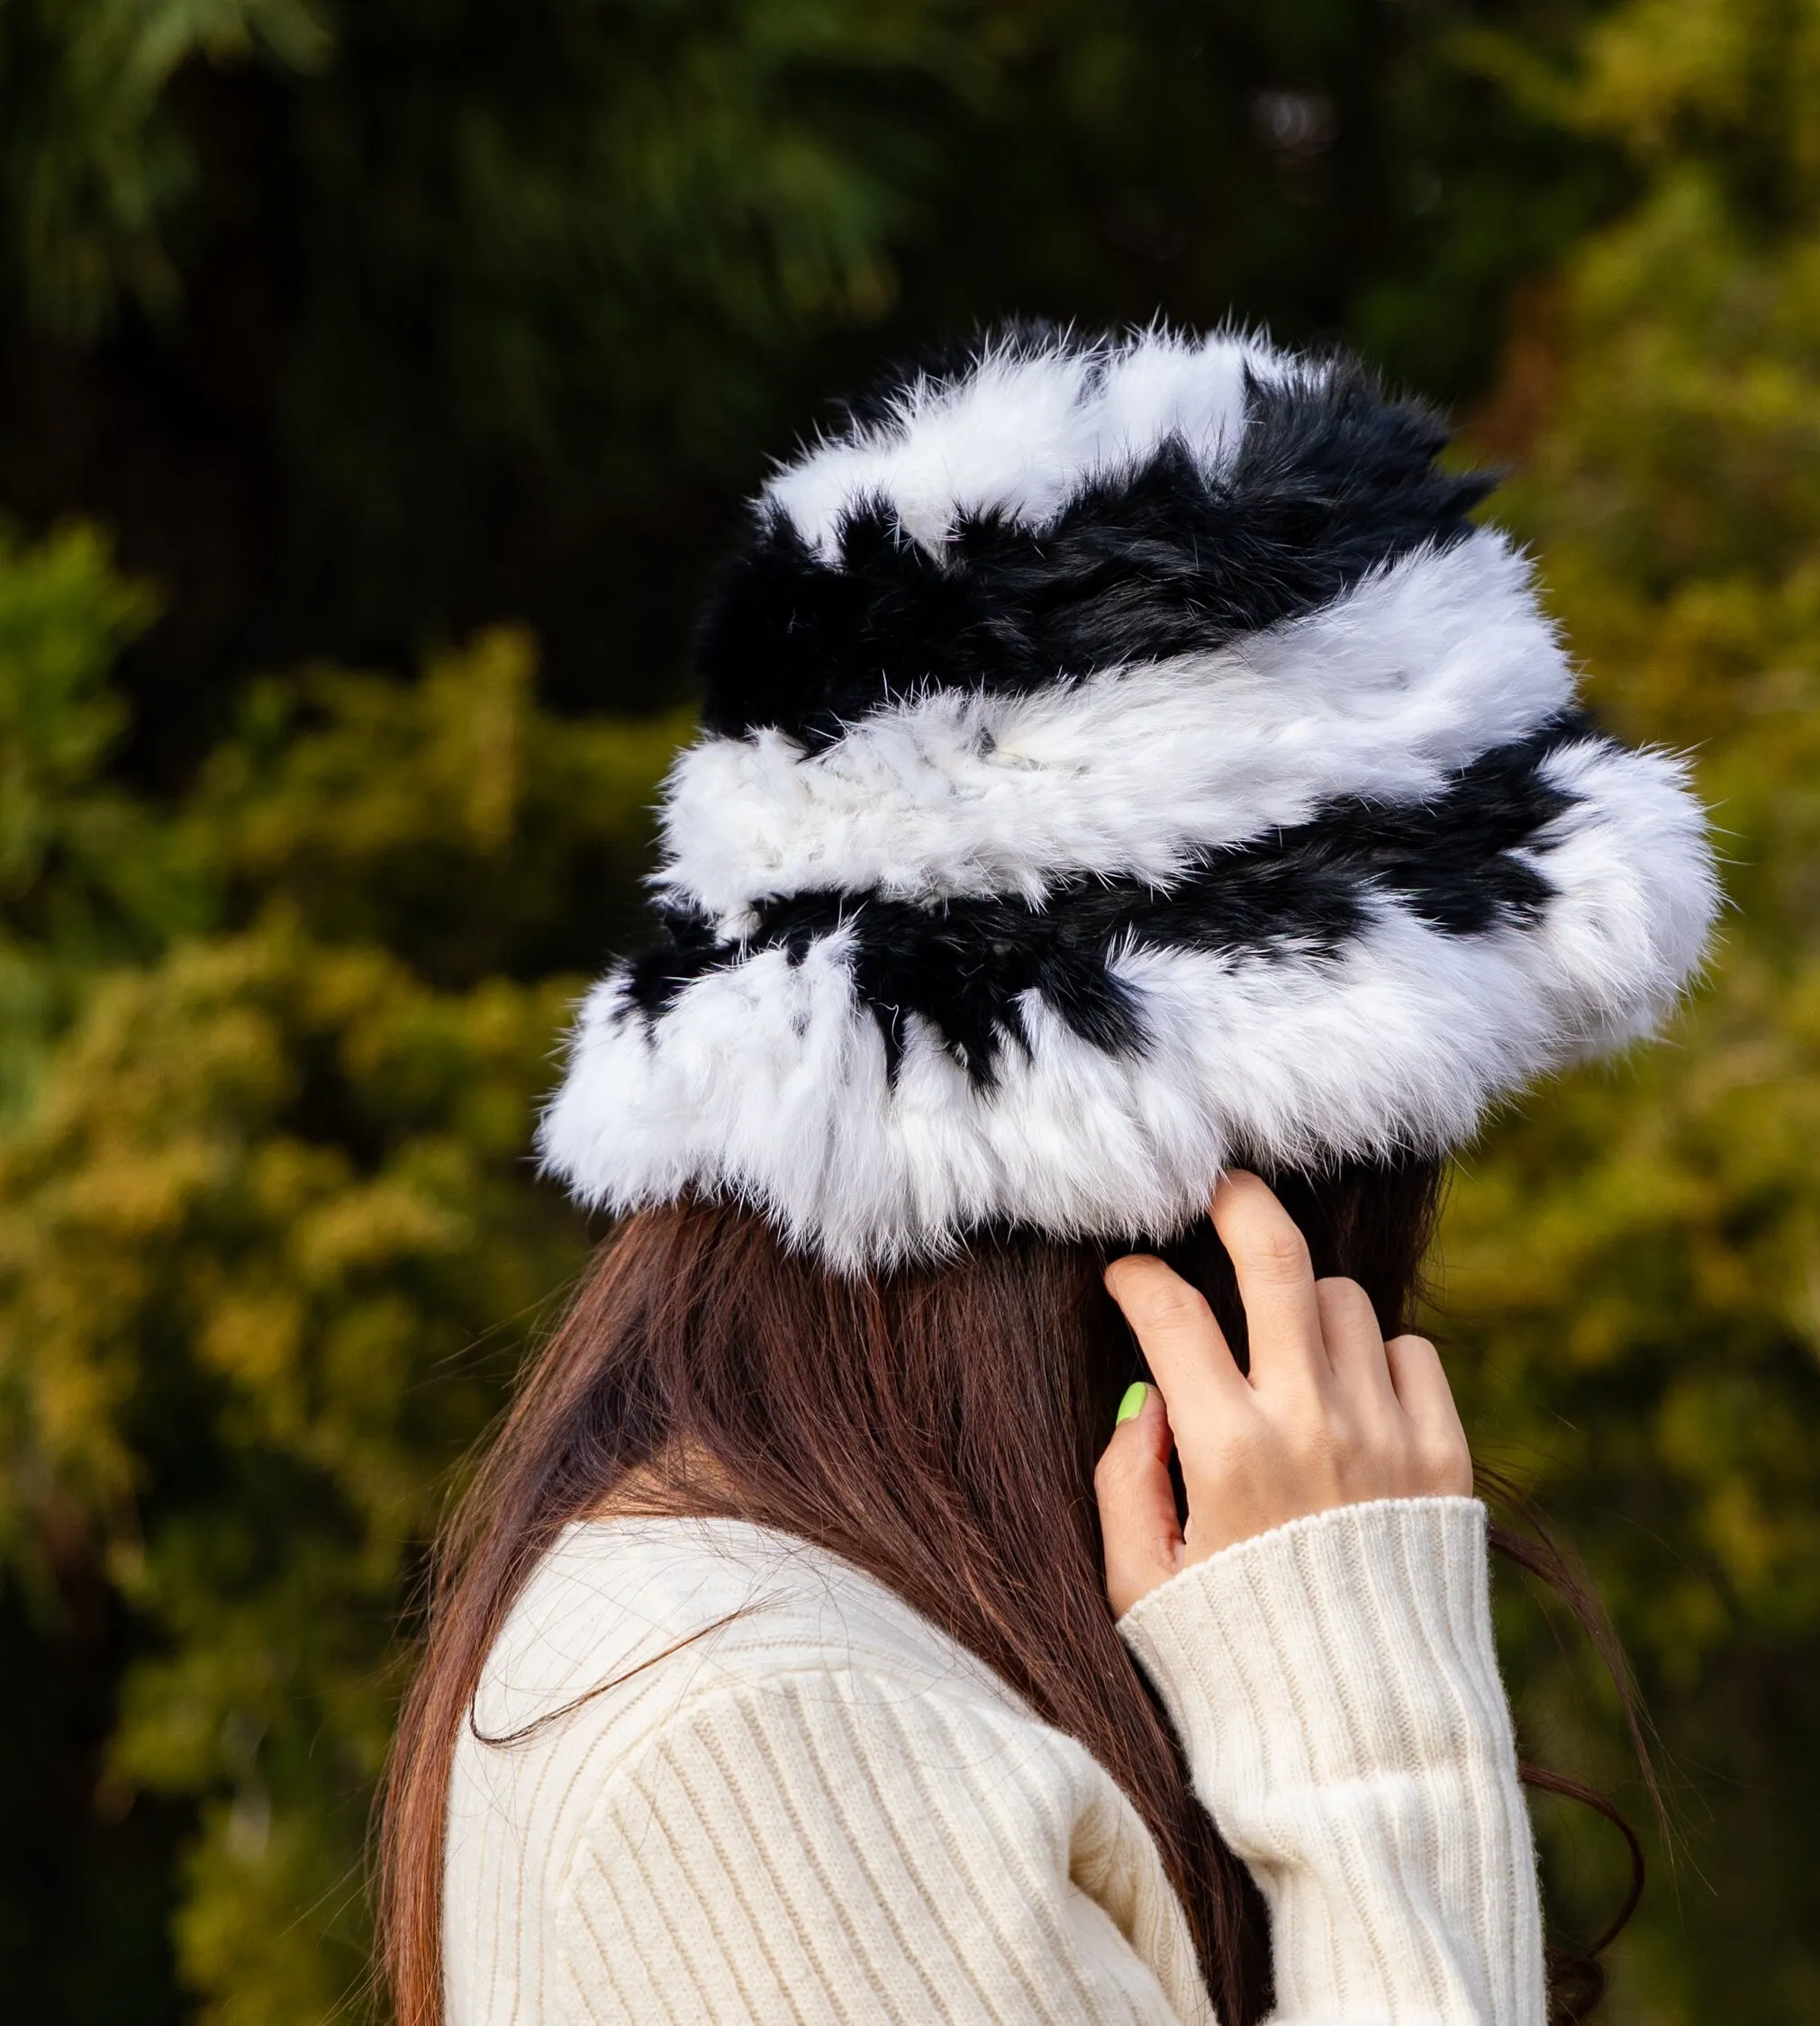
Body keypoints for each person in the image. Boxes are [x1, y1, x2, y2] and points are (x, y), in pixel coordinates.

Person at [376, 326, 1718, 2026]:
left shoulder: (824, 1648)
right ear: (1205, 1193)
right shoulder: (765, 1728)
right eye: (1382, 1164)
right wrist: (1370, 1729)